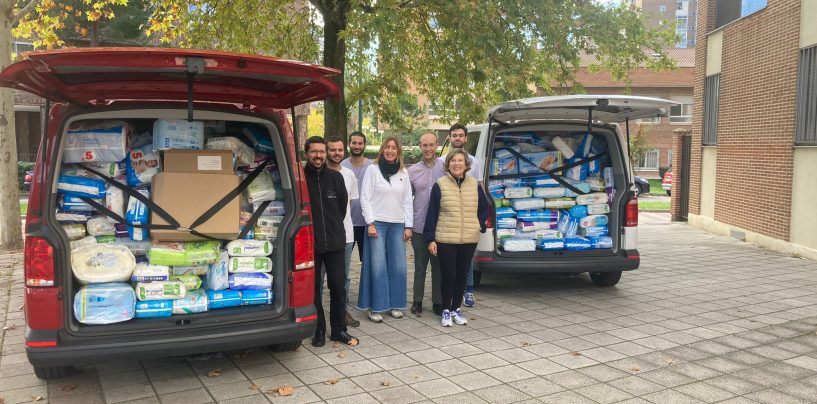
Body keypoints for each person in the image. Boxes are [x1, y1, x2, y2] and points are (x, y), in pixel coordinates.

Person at [303, 136, 358, 347]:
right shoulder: (301, 178)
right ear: (306, 153)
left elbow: (342, 208)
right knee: (314, 288)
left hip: (336, 242)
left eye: (321, 151)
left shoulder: (336, 178)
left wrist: (333, 227)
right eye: (313, 152)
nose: (318, 155)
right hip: (311, 245)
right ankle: (318, 330)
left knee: (337, 287)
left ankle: (338, 330)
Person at [424, 148, 489, 327]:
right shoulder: (440, 184)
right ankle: (445, 309)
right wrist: (430, 238)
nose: (457, 164)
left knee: (461, 275)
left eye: (460, 161)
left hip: (469, 238)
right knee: (448, 274)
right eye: (453, 161)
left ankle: (456, 308)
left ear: (466, 165)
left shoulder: (474, 184)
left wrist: (479, 224)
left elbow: (484, 208)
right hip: (445, 238)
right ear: (448, 164)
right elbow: (432, 213)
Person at [357, 136, 413, 322]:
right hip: (377, 224)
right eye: (387, 147)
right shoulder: (372, 170)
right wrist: (370, 223)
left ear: (398, 152)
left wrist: (408, 226)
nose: (390, 150)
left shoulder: (404, 172)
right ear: (382, 150)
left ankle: (395, 305)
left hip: (398, 224)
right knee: (378, 265)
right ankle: (376, 307)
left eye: (394, 148)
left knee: (399, 265)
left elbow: (407, 202)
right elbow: (365, 197)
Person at [408, 131, 445, 316]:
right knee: (420, 266)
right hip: (419, 226)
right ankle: (417, 300)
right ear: (420, 146)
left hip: (441, 227)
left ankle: (438, 302)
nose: (428, 148)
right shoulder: (412, 171)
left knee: (438, 267)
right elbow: (406, 200)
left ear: (436, 145)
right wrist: (407, 225)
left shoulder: (446, 167)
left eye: (431, 145)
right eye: (425, 145)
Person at [325, 136, 361, 328]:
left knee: (343, 278)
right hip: (321, 236)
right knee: (319, 276)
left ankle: (342, 311)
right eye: (332, 149)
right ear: (326, 150)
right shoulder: (318, 174)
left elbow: (348, 205)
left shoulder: (349, 175)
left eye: (340, 150)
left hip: (345, 234)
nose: (336, 153)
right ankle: (316, 314)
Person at [448, 123, 482, 307]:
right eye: (454, 135)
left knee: (466, 259)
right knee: (451, 260)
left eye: (461, 135)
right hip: (450, 217)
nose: (458, 138)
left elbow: (480, 188)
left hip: (469, 216)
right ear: (450, 138)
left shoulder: (475, 162)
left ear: (466, 138)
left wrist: (480, 217)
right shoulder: (442, 160)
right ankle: (450, 294)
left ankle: (468, 291)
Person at [341, 131, 371, 263]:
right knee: (342, 263)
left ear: (364, 145)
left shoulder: (373, 166)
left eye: (360, 143)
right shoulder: (341, 166)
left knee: (368, 263)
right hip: (346, 223)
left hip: (367, 223)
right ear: (349, 144)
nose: (357, 146)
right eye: (354, 143)